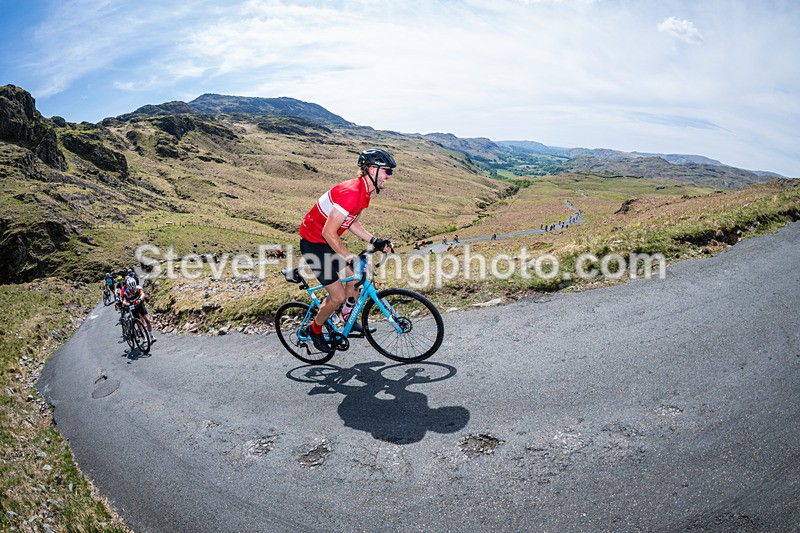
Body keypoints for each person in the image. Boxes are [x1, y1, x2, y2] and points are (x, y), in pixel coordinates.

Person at [298, 148, 395, 353]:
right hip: (314, 245)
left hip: (328, 242)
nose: (389, 176)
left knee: (354, 280)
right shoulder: (352, 193)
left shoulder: (364, 193)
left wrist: (374, 240)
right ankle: (314, 329)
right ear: (371, 169)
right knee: (338, 296)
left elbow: (352, 224)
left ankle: (347, 320)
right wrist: (349, 257)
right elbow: (328, 232)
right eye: (387, 171)